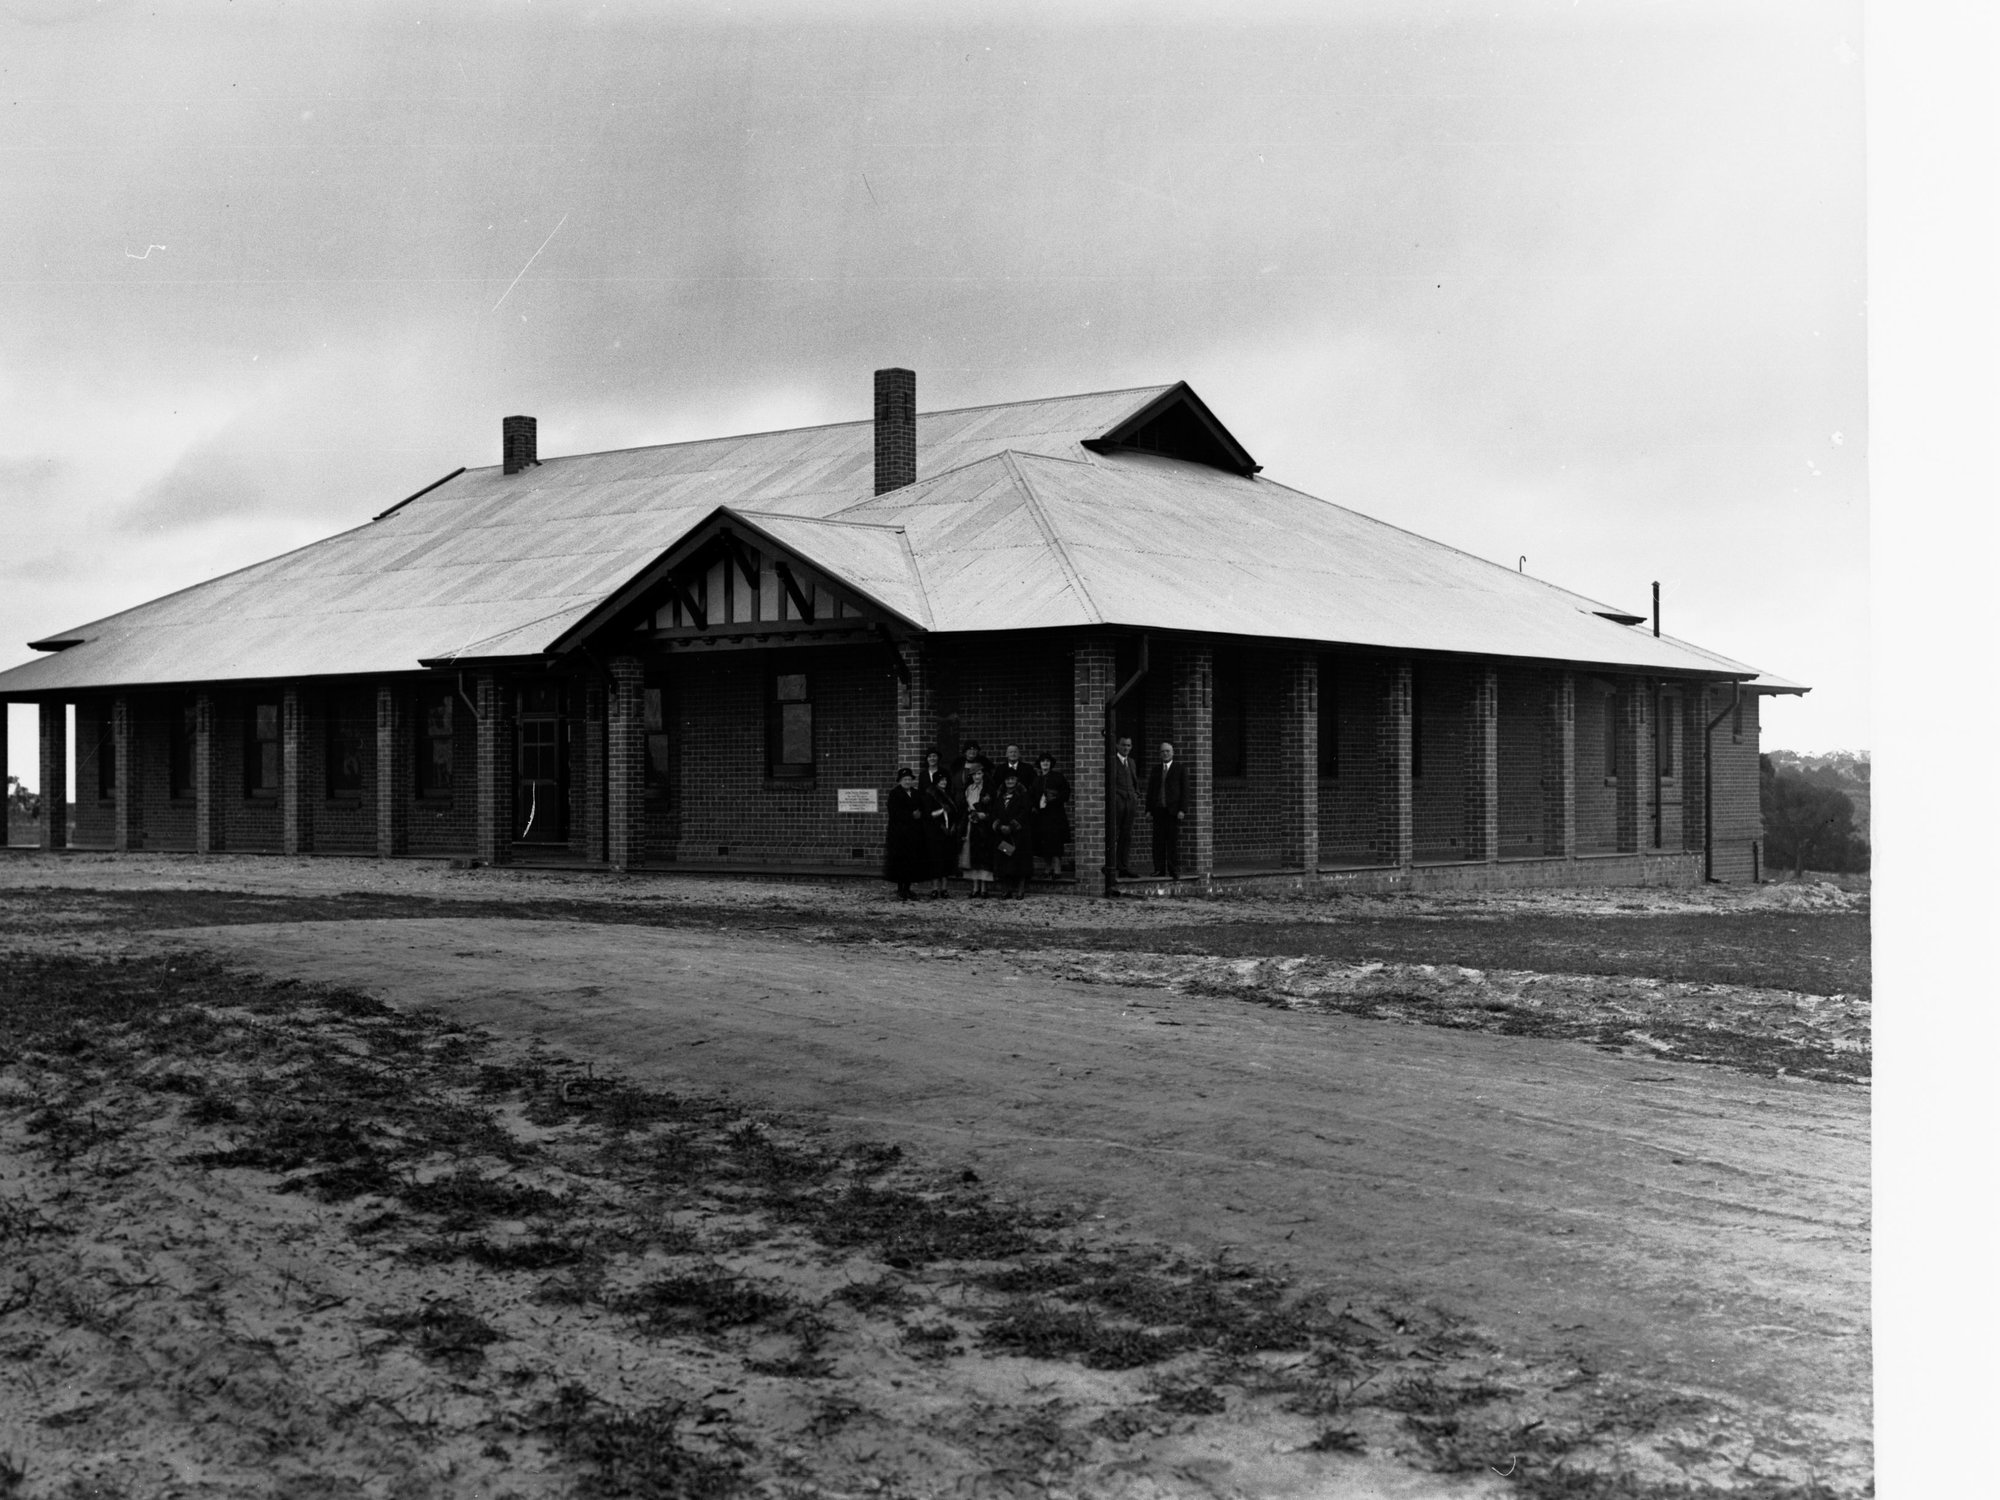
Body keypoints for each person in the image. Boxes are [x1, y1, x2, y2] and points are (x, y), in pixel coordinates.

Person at [990, 766, 1036, 898]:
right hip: (1004, 836)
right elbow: (995, 813)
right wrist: (999, 826)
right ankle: (1007, 889)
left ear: (1016, 780)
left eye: (1012, 779)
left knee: (1020, 862)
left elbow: (1025, 812)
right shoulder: (1000, 796)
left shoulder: (1023, 795)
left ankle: (1020, 890)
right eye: (1007, 779)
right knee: (1005, 860)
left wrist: (1012, 826)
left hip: (1019, 835)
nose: (1010, 781)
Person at [883, 767, 928, 900]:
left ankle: (908, 888)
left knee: (911, 861)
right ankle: (901, 888)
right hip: (899, 833)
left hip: (913, 833)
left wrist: (920, 814)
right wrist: (910, 815)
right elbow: (894, 812)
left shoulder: (916, 793)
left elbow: (922, 808)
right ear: (900, 781)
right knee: (900, 861)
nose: (907, 782)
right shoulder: (895, 794)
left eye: (909, 779)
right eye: (905, 779)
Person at [1146, 739, 1189, 879]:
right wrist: (1148, 810)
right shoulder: (1156, 770)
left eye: (1167, 751)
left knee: (1172, 842)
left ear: (1173, 753)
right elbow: (1150, 791)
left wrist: (1182, 809)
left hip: (1173, 811)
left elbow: (1185, 791)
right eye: (1162, 751)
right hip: (1158, 810)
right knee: (1158, 841)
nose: (1165, 754)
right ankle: (1159, 869)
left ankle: (1173, 869)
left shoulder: (1179, 769)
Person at [958, 760, 995, 897]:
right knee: (972, 854)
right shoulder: (969, 789)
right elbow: (965, 807)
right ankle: (975, 887)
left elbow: (993, 808)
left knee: (983, 855)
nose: (976, 777)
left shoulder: (989, 789)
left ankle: (984, 888)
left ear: (983, 774)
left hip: (984, 825)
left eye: (979, 774)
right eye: (974, 775)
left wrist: (985, 815)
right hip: (971, 824)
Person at [1031, 753, 1071, 879]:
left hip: (1055, 815)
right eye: (1043, 761)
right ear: (1039, 764)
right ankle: (1047, 868)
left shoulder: (1058, 777)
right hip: (1041, 816)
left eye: (1047, 761)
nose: (1045, 763)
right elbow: (1032, 796)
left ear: (1051, 763)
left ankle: (1057, 869)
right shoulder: (1037, 780)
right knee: (1044, 842)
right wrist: (1034, 806)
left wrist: (1055, 798)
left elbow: (1066, 793)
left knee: (1056, 841)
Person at [920, 768, 958, 898]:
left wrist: (953, 826)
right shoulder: (930, 795)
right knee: (935, 860)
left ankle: (944, 888)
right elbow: (928, 814)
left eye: (945, 780)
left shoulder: (949, 794)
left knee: (946, 860)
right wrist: (942, 811)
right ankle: (935, 888)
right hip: (935, 831)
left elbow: (955, 812)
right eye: (941, 780)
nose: (944, 782)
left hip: (948, 831)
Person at [1111, 735, 1142, 878]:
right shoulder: (1112, 762)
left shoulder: (1131, 762)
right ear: (1117, 746)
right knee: (1113, 834)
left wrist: (1136, 794)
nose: (1126, 748)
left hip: (1130, 803)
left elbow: (1134, 781)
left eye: (1128, 745)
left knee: (1126, 835)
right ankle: (1111, 866)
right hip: (1117, 803)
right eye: (1123, 745)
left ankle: (1123, 866)